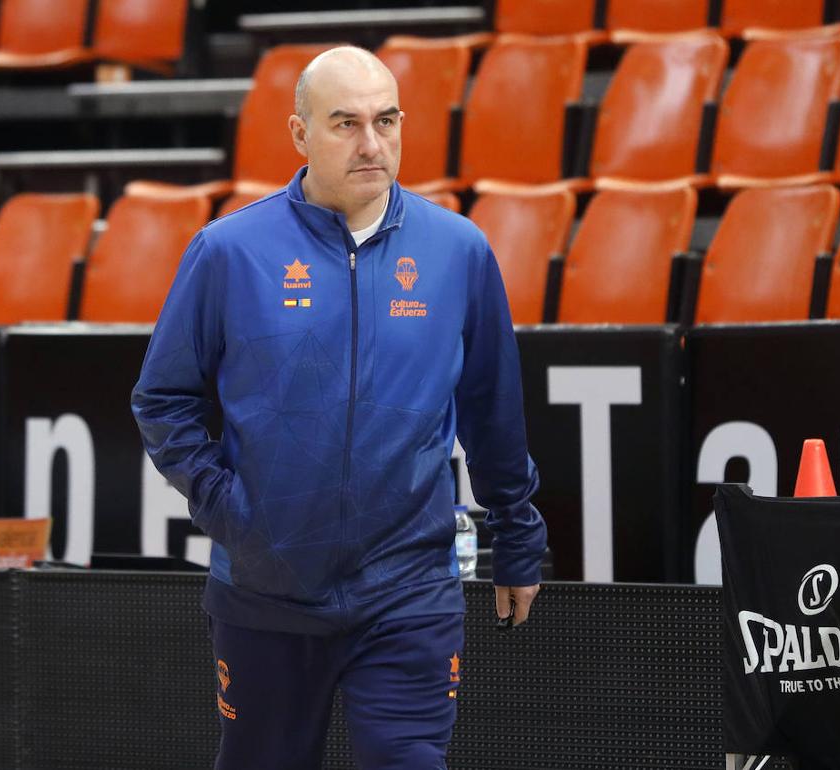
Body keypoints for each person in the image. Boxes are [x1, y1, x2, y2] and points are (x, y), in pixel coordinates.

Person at [131, 46, 546, 770]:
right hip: (266, 595)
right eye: (345, 123)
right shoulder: (229, 251)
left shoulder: (459, 252)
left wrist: (519, 538)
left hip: (410, 590)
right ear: (298, 134)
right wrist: (232, 511)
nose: (371, 143)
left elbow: (492, 412)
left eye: (386, 121)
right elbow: (162, 399)